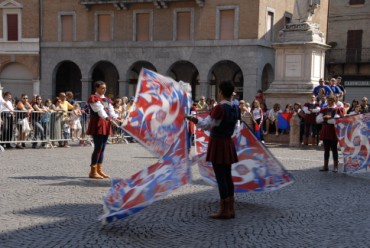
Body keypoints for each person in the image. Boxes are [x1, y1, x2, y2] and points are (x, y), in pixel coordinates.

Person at [186, 80, 239, 219]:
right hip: (227, 141)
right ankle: (231, 208)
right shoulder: (235, 108)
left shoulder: (219, 108)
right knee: (227, 176)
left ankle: (224, 210)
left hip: (219, 143)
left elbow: (206, 125)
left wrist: (193, 119)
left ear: (220, 92)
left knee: (221, 177)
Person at [87, 81, 121, 179]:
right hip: (98, 123)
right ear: (96, 88)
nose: (104, 90)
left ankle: (99, 169)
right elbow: (100, 111)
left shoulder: (106, 99)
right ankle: (93, 171)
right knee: (98, 147)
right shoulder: (93, 98)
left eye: (105, 88)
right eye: (102, 88)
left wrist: (117, 118)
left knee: (102, 148)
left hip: (106, 123)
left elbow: (111, 111)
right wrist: (109, 119)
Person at [317, 95, 344, 172]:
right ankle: (325, 166)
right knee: (326, 150)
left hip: (333, 131)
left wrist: (327, 119)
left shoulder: (338, 109)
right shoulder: (324, 109)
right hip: (325, 130)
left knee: (334, 149)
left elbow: (336, 120)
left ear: (334, 101)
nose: (330, 102)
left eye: (331, 100)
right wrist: (325, 118)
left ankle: (335, 166)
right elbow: (318, 120)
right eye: (329, 100)